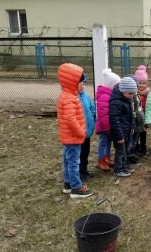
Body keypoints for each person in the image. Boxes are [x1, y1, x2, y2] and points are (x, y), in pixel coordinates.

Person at [57, 63, 93, 199]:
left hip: (68, 137)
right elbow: (70, 119)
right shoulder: (70, 98)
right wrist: (81, 132)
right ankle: (76, 188)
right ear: (72, 82)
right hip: (73, 137)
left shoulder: (66, 95)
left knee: (67, 160)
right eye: (81, 83)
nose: (83, 85)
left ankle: (68, 184)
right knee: (73, 162)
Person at [109, 77, 137, 177]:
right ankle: (118, 169)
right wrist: (119, 136)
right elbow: (114, 121)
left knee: (125, 150)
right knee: (120, 151)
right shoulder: (116, 102)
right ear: (123, 91)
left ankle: (124, 167)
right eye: (130, 93)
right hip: (120, 133)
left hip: (127, 130)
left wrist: (132, 126)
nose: (132, 96)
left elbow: (131, 114)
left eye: (133, 93)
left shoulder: (127, 99)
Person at [95, 68, 121, 171]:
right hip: (104, 127)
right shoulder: (105, 97)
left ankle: (107, 158)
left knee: (108, 142)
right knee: (103, 143)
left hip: (109, 126)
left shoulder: (110, 95)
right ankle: (101, 161)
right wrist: (107, 128)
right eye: (117, 86)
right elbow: (103, 115)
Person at [78, 73, 96, 181]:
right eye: (79, 83)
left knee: (85, 152)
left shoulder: (85, 95)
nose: (82, 85)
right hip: (79, 131)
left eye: (83, 83)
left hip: (87, 131)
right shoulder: (74, 98)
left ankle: (84, 170)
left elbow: (92, 107)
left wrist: (94, 116)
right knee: (79, 153)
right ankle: (80, 172)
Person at [135, 65, 150, 155]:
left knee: (143, 132)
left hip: (144, 116)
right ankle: (136, 145)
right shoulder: (133, 93)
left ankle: (143, 146)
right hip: (136, 116)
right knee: (136, 131)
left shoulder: (148, 93)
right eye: (139, 83)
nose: (141, 85)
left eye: (143, 83)